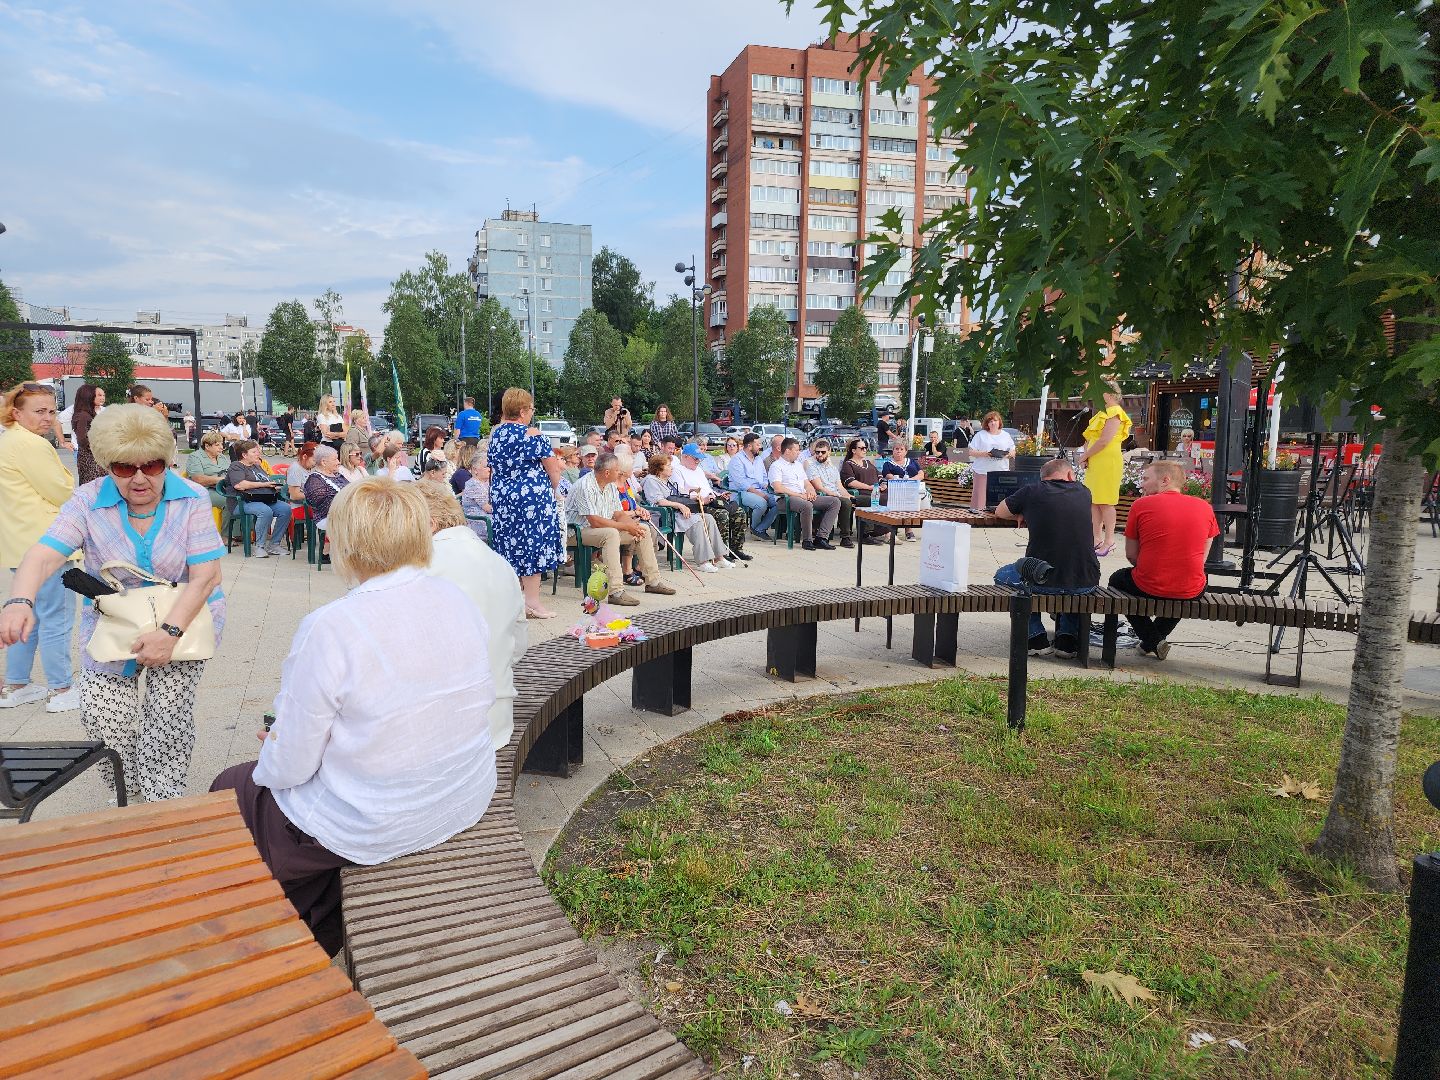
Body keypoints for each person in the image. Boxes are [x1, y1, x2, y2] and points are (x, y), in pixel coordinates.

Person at [210, 478, 496, 956]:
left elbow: (291, 764)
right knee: (285, 805)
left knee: (234, 788)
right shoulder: (456, 599)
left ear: (344, 542)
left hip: (384, 817)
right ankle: (317, 927)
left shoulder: (333, 625)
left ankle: (271, 945)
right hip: (462, 793)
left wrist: (276, 745)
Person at [2, 404, 226, 798]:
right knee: (105, 718)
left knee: (166, 715)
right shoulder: (87, 501)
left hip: (184, 614)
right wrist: (19, 600)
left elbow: (206, 576)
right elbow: (42, 555)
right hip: (114, 618)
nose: (139, 478)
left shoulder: (190, 497)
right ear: (108, 464)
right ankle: (130, 790)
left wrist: (169, 633)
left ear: (166, 460)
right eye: (125, 467)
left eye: (152, 466)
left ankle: (162, 800)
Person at [418, 484, 526, 754]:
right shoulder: (500, 563)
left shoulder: (422, 566)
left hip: (443, 730)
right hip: (498, 718)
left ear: (430, 525)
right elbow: (519, 645)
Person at [0, 382, 79, 711]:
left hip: (21, 541)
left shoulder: (11, 439)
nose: (48, 418)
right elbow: (61, 490)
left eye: (51, 411)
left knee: (26, 616)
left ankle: (16, 683)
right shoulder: (31, 444)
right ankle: (61, 689)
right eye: (40, 411)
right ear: (17, 413)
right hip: (47, 543)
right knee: (56, 617)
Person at [1109, 460, 1220, 660]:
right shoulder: (1204, 507)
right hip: (1191, 587)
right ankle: (1153, 640)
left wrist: (1151, 568)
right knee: (1188, 585)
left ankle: (1152, 639)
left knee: (1116, 581)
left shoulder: (1141, 504)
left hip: (1149, 583)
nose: (1141, 485)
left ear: (1165, 480)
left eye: (1145, 478)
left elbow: (1131, 555)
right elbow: (1204, 554)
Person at [993, 458, 1100, 659]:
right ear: (1070, 475)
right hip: (1085, 581)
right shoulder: (1084, 492)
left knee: (1002, 576)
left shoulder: (1032, 491)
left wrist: (1021, 513)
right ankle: (1066, 640)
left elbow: (1000, 511)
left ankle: (1036, 637)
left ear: (1043, 478)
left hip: (1041, 581)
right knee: (1070, 574)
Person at [488, 388, 565, 620]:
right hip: (532, 501)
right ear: (522, 411)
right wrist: (546, 488)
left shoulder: (496, 435)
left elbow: (493, 469)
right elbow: (554, 472)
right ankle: (532, 602)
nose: (532, 413)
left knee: (509, 548)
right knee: (534, 548)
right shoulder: (533, 434)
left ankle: (513, 600)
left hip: (504, 500)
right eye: (531, 409)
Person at [566, 452, 675, 606]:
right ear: (607, 472)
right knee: (610, 534)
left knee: (642, 528)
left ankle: (653, 582)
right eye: (617, 470)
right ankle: (616, 591)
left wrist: (631, 525)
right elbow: (594, 521)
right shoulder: (585, 485)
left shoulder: (610, 484)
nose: (620, 472)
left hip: (599, 528)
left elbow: (618, 513)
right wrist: (625, 526)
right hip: (576, 532)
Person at [642, 454, 731, 572]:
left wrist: (694, 497)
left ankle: (719, 557)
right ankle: (703, 561)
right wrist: (680, 505)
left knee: (708, 518)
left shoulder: (667, 480)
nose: (671, 468)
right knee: (697, 521)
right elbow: (659, 501)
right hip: (666, 515)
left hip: (677, 512)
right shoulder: (651, 480)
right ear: (659, 468)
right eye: (668, 466)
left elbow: (678, 495)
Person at [1077, 380, 1132, 555]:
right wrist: (1086, 456)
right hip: (1095, 460)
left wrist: (1086, 455)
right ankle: (1096, 538)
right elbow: (1089, 439)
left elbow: (1104, 440)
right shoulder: (1101, 413)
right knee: (1093, 501)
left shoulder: (1115, 412)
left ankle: (1109, 539)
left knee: (1106, 501)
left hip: (1107, 460)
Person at [675, 442, 750, 561]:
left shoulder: (698, 470)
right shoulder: (677, 470)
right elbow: (681, 493)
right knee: (722, 515)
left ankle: (736, 549)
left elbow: (707, 489)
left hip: (710, 500)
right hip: (696, 504)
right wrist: (701, 498)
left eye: (699, 459)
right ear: (685, 457)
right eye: (695, 459)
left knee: (739, 512)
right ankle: (721, 552)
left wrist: (719, 494)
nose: (698, 461)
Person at [768, 438, 840, 551]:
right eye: (796, 450)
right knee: (807, 505)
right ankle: (807, 540)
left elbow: (806, 483)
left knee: (834, 502)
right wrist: (799, 495)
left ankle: (821, 538)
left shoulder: (798, 465)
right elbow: (778, 488)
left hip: (803, 497)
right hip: (785, 499)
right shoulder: (776, 466)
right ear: (787, 451)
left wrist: (810, 490)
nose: (799, 453)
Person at [225, 440, 287, 556]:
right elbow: (240, 485)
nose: (258, 453)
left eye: (257, 451)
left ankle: (274, 544)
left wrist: (274, 486)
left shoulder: (256, 466)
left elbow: (266, 481)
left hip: (261, 499)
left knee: (285, 509)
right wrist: (264, 485)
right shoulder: (236, 466)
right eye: (254, 452)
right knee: (265, 511)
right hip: (241, 502)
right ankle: (259, 547)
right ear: (244, 455)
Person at [728, 432, 781, 539]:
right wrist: (760, 494)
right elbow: (741, 483)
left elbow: (764, 477)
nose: (760, 447)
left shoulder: (758, 459)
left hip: (760, 490)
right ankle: (754, 528)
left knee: (780, 503)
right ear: (749, 446)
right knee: (761, 503)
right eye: (757, 444)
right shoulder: (737, 459)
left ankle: (759, 529)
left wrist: (767, 487)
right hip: (742, 492)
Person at [804, 439, 856, 548]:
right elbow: (819, 488)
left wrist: (849, 495)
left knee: (861, 500)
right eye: (817, 452)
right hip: (825, 496)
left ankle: (869, 532)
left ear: (829, 452)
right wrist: (836, 495)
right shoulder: (812, 467)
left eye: (823, 452)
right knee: (845, 503)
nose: (819, 454)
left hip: (836, 494)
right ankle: (845, 537)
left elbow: (840, 487)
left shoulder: (833, 468)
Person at [840, 436, 885, 545]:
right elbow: (850, 482)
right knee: (872, 500)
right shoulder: (848, 464)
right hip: (860, 493)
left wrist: (883, 484)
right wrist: (869, 487)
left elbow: (879, 475)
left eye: (866, 448)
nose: (865, 450)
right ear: (854, 450)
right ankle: (865, 534)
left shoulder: (868, 463)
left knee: (889, 498)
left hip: (876, 491)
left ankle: (881, 532)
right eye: (862, 448)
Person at [967, 411, 1015, 510]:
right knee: (980, 498)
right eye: (990, 421)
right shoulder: (980, 435)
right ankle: (978, 518)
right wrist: (985, 454)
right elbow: (971, 452)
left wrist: (1010, 453)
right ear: (987, 424)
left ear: (999, 422)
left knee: (1000, 497)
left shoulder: (1006, 435)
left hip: (1001, 471)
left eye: (995, 421)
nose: (993, 423)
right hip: (983, 471)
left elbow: (1013, 450)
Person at [880, 441, 922, 541]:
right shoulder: (888, 463)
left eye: (901, 449)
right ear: (893, 451)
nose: (899, 451)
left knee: (913, 497)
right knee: (900, 497)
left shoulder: (912, 462)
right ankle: (893, 529)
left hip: (912, 487)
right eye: (896, 449)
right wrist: (902, 481)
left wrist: (911, 480)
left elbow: (921, 474)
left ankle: (908, 529)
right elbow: (888, 476)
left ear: (906, 451)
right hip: (896, 488)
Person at [185, 430, 230, 524]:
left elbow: (229, 474)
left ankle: (242, 533)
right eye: (217, 445)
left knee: (242, 497)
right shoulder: (195, 457)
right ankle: (226, 536)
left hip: (222, 489)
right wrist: (222, 480)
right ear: (207, 446)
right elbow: (198, 479)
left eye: (222, 444)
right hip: (203, 491)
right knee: (230, 500)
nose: (222, 447)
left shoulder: (222, 457)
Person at [303, 445, 349, 532]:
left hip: (345, 513)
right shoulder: (314, 480)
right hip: (327, 518)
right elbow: (326, 507)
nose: (338, 462)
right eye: (335, 459)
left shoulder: (337, 475)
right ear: (324, 462)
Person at [70, 384, 107, 485]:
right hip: (90, 459)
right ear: (88, 396)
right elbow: (82, 439)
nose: (101, 398)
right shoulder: (83, 415)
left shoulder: (89, 413)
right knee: (93, 487)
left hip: (93, 457)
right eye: (97, 395)